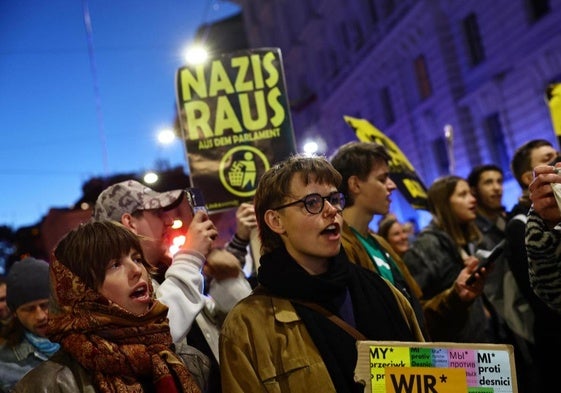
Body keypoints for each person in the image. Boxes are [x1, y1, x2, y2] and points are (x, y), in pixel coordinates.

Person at [219, 155, 424, 393]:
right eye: (312, 202)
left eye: (334, 199)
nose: (331, 211)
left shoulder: (383, 291)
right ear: (276, 221)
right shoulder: (247, 326)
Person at [93, 180, 251, 392]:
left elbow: (233, 324)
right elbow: (157, 331)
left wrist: (226, 277)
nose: (169, 221)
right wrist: (191, 256)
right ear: (130, 222)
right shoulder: (114, 288)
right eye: (158, 214)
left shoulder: (165, 272)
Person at [14, 220, 201, 392]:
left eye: (136, 258)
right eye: (115, 265)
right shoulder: (45, 387)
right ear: (81, 289)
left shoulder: (193, 363)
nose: (137, 270)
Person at [403, 175, 495, 343]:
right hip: (453, 349)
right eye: (463, 195)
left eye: (471, 193)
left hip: (479, 339)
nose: (472, 199)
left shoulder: (465, 240)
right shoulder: (426, 245)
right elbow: (417, 307)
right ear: (444, 204)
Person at [0, 257, 59, 392]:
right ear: (15, 313)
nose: (40, 316)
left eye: (45, 305)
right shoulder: (4, 365)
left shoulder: (88, 341)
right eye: (29, 309)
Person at [467, 164, 507, 250]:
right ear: (474, 190)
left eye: (499, 181)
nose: (497, 188)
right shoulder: (471, 229)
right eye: (488, 183)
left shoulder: (507, 220)